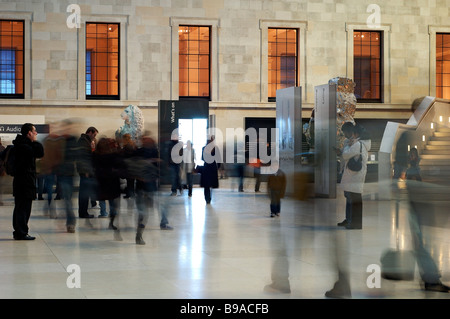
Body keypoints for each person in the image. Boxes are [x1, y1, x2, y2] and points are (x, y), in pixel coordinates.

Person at [393, 126, 450, 293]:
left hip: (422, 202)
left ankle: (430, 277)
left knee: (422, 241)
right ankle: (431, 278)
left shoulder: (407, 137)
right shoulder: (408, 138)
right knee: (421, 241)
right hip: (420, 203)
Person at [12, 123, 44, 240]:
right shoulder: (24, 146)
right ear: (29, 133)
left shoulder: (21, 144)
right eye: (34, 131)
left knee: (21, 207)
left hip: (22, 181)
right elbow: (40, 152)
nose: (36, 133)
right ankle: (21, 232)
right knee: (24, 208)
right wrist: (34, 141)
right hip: (25, 182)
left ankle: (19, 231)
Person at [335, 122, 370, 229]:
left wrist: (346, 147)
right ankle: (350, 220)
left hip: (355, 177)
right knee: (351, 199)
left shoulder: (357, 144)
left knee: (354, 200)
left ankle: (355, 223)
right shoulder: (358, 144)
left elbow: (345, 155)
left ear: (355, 133)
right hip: (354, 176)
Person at [93, 137, 125, 240]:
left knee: (103, 199)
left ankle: (103, 212)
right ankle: (112, 221)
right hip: (112, 182)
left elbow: (93, 167)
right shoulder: (113, 155)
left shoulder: (95, 156)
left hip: (101, 182)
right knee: (113, 204)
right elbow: (121, 165)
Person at [133, 134, 160, 244]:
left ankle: (139, 233)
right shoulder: (139, 152)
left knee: (145, 212)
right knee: (142, 212)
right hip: (142, 185)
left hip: (149, 186)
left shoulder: (154, 151)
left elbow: (156, 169)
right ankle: (139, 234)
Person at [55, 120, 79, 233]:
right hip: (62, 173)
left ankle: (70, 223)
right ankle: (69, 221)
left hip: (68, 174)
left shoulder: (72, 140)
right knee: (66, 200)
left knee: (68, 200)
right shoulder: (61, 140)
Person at [76, 126, 98, 218]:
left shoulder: (85, 141)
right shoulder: (83, 141)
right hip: (85, 171)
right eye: (94, 135)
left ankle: (83, 212)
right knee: (84, 193)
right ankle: (83, 213)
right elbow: (84, 157)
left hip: (86, 170)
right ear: (90, 132)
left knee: (85, 192)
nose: (95, 137)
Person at [199, 136, 220, 204]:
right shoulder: (215, 148)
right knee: (209, 184)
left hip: (207, 167)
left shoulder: (204, 148)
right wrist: (218, 167)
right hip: (212, 167)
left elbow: (202, 158)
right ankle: (208, 198)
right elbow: (218, 159)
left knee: (207, 185)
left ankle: (207, 198)